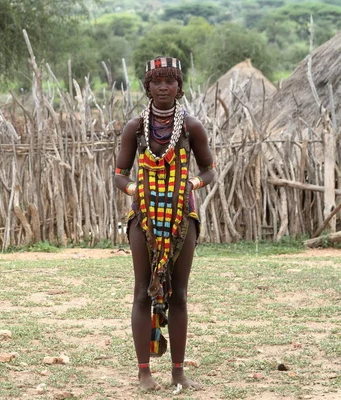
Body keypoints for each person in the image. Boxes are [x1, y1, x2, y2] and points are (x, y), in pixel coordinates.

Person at [113, 56, 215, 390]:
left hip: (182, 218)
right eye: (156, 81)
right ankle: (144, 373)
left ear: (179, 87)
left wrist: (189, 185)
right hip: (143, 218)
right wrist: (136, 191)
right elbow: (119, 175)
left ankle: (178, 373)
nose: (163, 87)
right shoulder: (136, 128)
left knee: (180, 295)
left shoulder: (190, 127)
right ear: (148, 87)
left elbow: (209, 171)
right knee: (143, 292)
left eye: (169, 81)